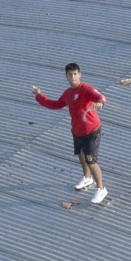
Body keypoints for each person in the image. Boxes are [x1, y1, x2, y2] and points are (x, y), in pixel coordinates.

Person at [33, 63, 108, 204]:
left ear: (80, 74)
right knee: (81, 155)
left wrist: (100, 103)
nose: (73, 77)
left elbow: (100, 97)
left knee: (91, 161)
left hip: (91, 131)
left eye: (75, 74)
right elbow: (55, 104)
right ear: (66, 76)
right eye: (70, 74)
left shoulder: (86, 89)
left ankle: (101, 188)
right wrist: (39, 96)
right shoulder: (67, 94)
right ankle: (87, 178)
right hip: (77, 130)